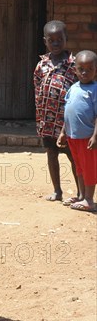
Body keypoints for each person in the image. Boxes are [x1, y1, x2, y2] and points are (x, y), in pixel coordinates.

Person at [33, 20, 80, 203]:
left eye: (59, 39)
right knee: (51, 154)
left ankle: (81, 192)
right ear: (45, 41)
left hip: (67, 122)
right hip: (47, 121)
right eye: (51, 40)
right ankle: (57, 191)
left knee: (73, 156)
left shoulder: (74, 65)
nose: (55, 43)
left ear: (66, 39)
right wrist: (40, 119)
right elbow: (37, 91)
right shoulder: (41, 65)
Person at [57, 50, 97, 212]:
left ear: (96, 70)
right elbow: (68, 112)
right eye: (81, 69)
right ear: (75, 69)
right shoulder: (73, 88)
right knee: (79, 167)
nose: (85, 72)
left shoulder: (95, 90)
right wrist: (62, 132)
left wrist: (95, 136)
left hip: (87, 138)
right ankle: (81, 196)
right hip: (73, 137)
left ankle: (89, 200)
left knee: (89, 169)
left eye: (89, 69)